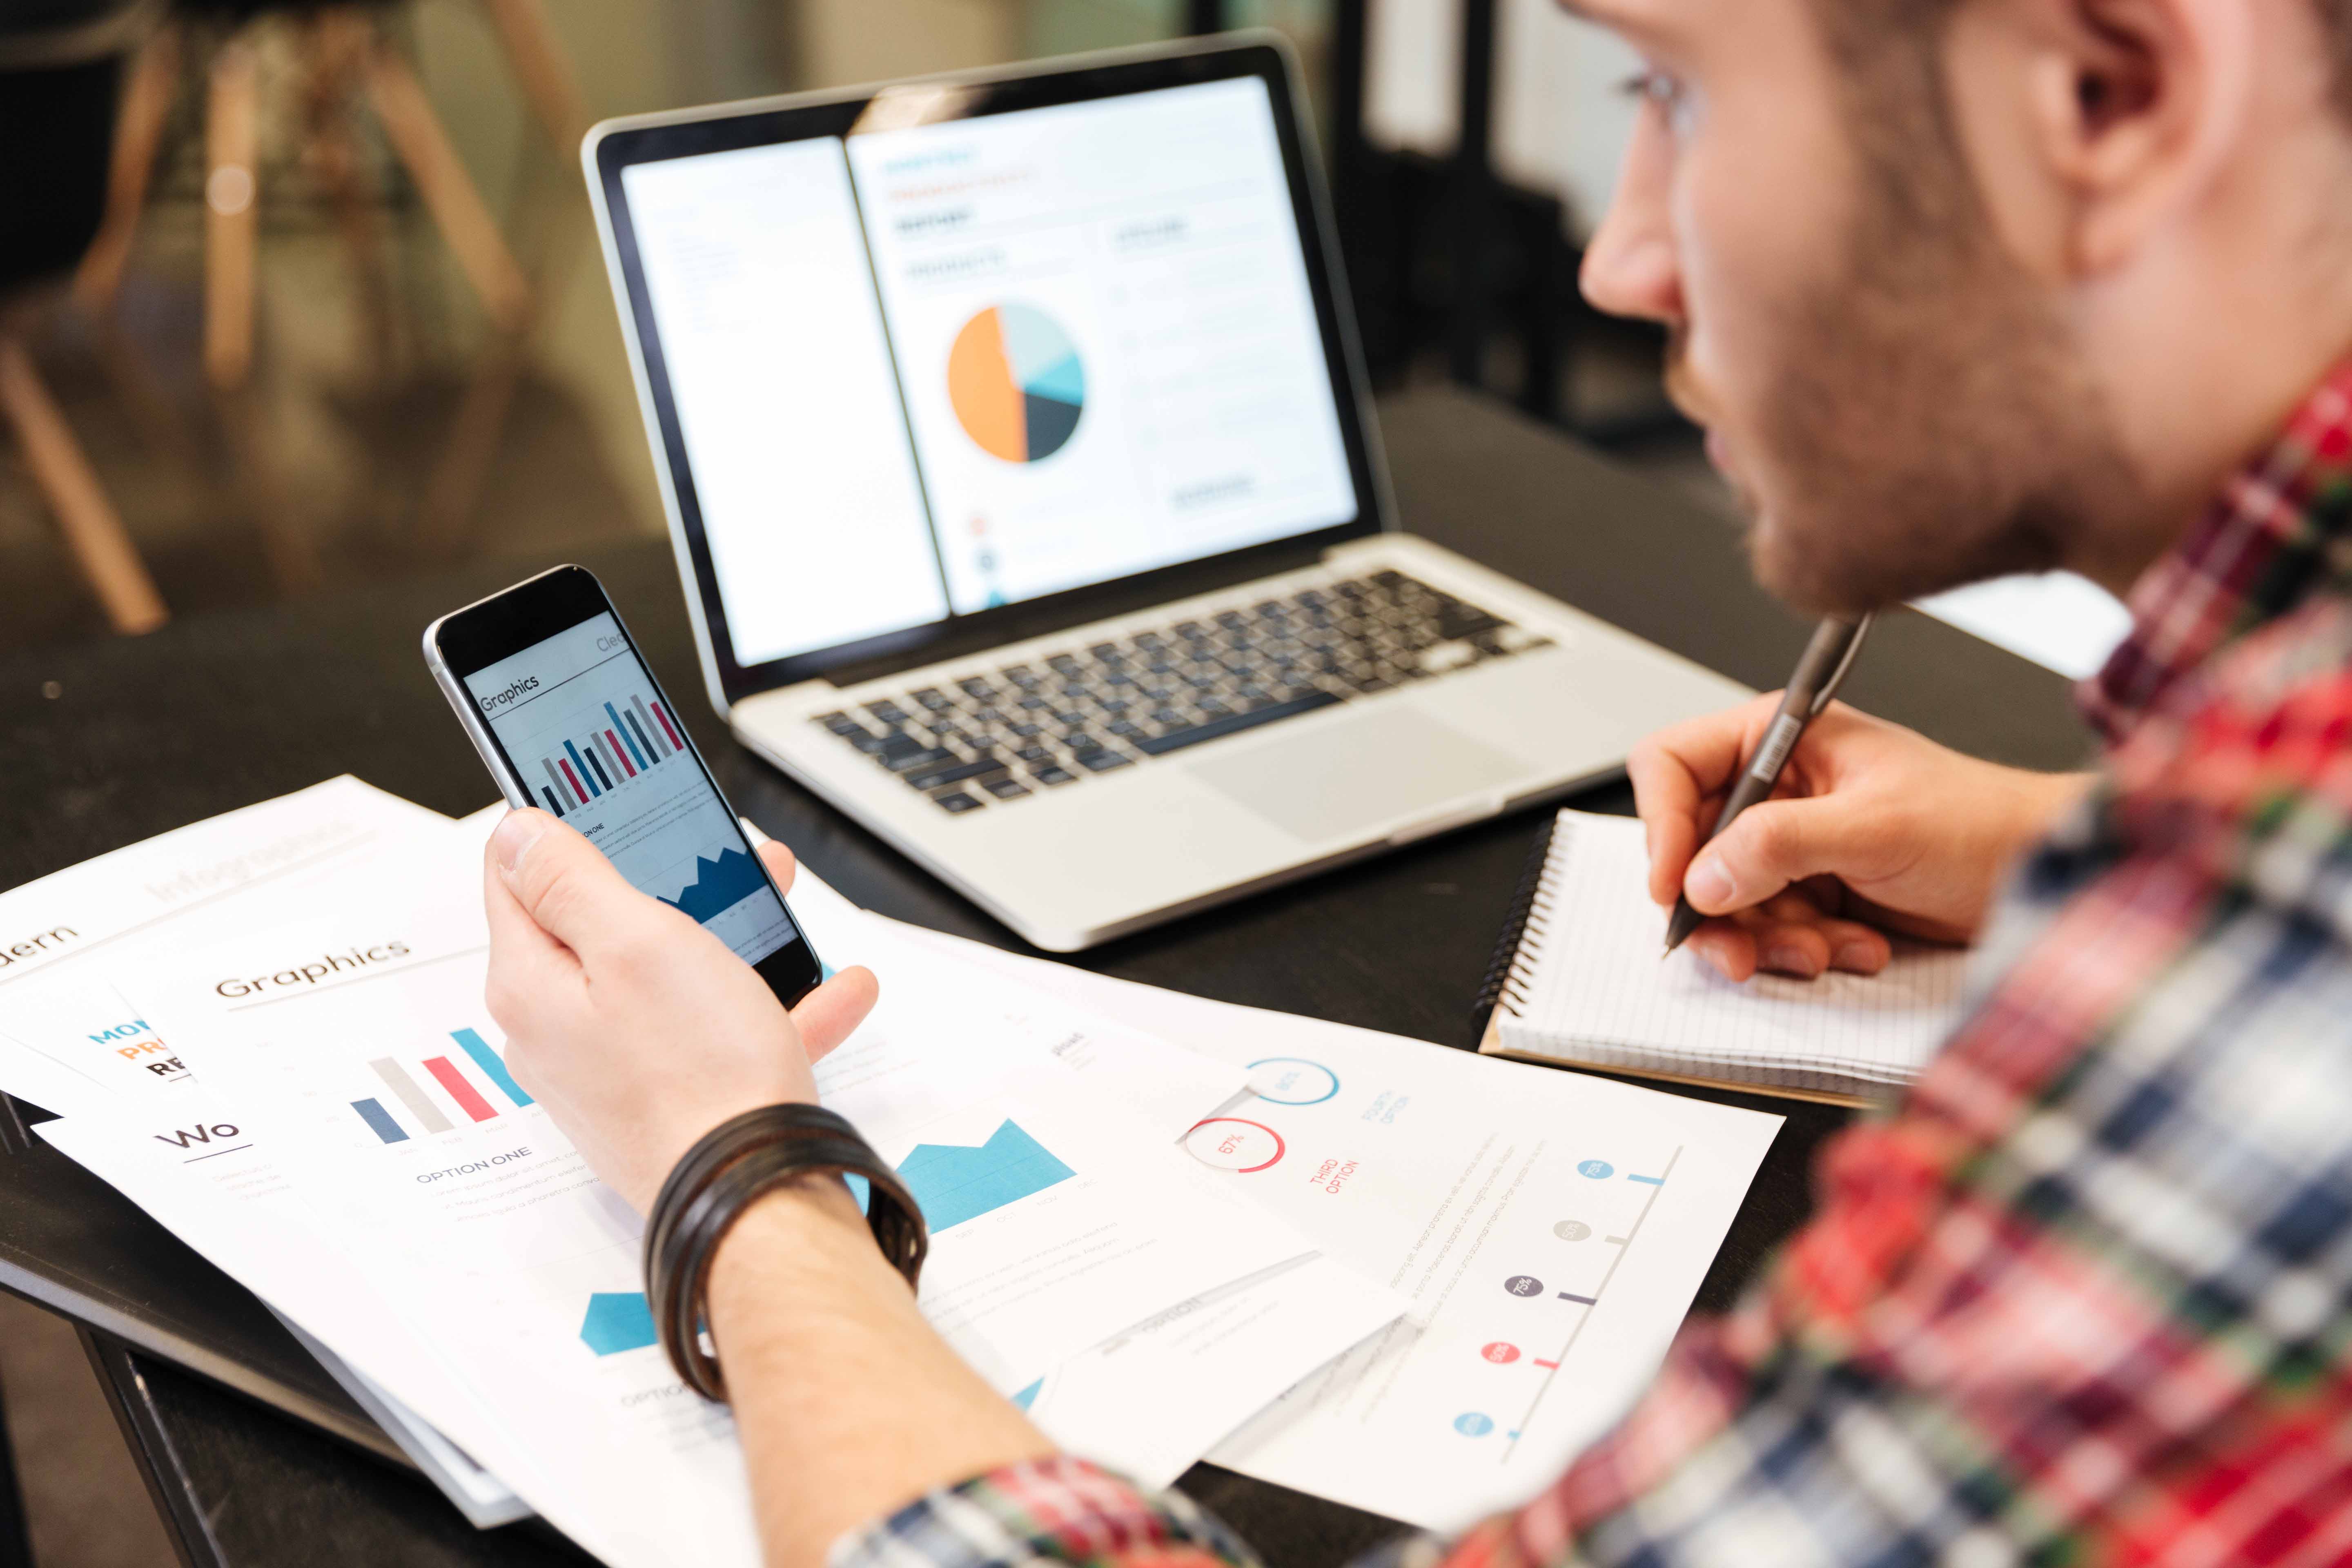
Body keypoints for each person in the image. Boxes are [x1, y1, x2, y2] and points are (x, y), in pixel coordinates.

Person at [479, 0, 2352, 1559]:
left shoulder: (2280, 957)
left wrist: (735, 1169)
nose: (1620, 259)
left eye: (1679, 94)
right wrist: (2058, 844)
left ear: (2112, 91)